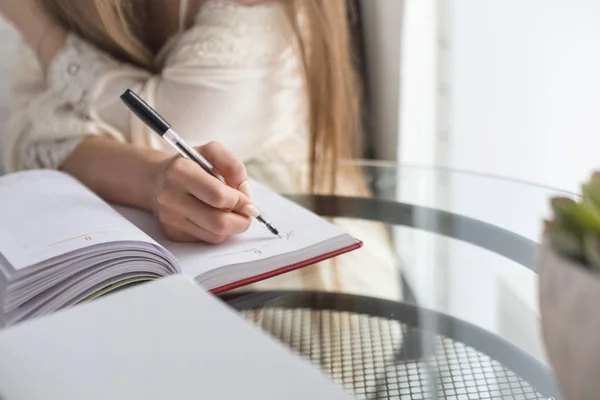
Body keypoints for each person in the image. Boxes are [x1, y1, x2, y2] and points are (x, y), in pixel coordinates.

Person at [0, 0, 399, 299]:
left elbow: (174, 127)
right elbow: (23, 127)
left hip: (310, 293)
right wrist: (149, 178)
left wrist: (34, 23)